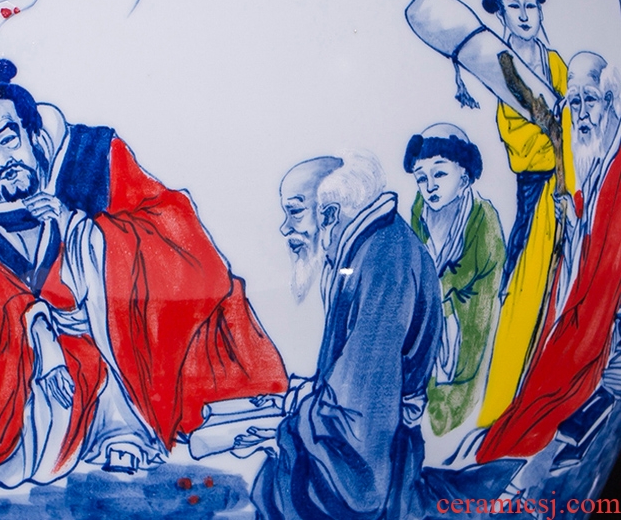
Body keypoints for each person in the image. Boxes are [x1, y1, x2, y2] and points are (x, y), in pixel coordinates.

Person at [0, 60, 288, 496]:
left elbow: (175, 228)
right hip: (51, 339)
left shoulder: (92, 155)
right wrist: (43, 341)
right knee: (39, 411)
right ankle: (108, 432)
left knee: (197, 321)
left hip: (136, 322)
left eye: (8, 139)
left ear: (34, 134)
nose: (1, 161)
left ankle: (145, 427)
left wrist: (79, 231)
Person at [250, 153, 442, 519]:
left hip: (375, 463)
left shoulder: (384, 260)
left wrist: (296, 415)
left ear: (329, 214)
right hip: (377, 442)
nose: (285, 228)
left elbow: (359, 416)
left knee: (273, 487)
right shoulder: (368, 249)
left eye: (295, 212)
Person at [477, 52, 621, 463]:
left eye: (589, 100)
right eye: (574, 102)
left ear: (610, 100)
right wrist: (574, 220)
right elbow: (593, 237)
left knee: (548, 398)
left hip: (597, 318)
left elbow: (609, 262)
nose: (582, 113)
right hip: (582, 304)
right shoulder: (596, 158)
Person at [474, 0, 575, 427]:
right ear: (500, 12)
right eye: (512, 5)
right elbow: (520, 144)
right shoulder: (501, 65)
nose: (523, 14)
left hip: (570, 186)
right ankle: (507, 403)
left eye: (529, 4)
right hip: (536, 191)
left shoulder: (555, 64)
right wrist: (555, 132)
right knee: (525, 287)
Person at [405, 124, 505, 437]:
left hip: (470, 312)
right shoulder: (419, 211)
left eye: (439, 174)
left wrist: (433, 290)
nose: (430, 186)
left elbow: (471, 273)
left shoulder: (483, 216)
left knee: (464, 380)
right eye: (421, 178)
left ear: (464, 176)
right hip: (432, 312)